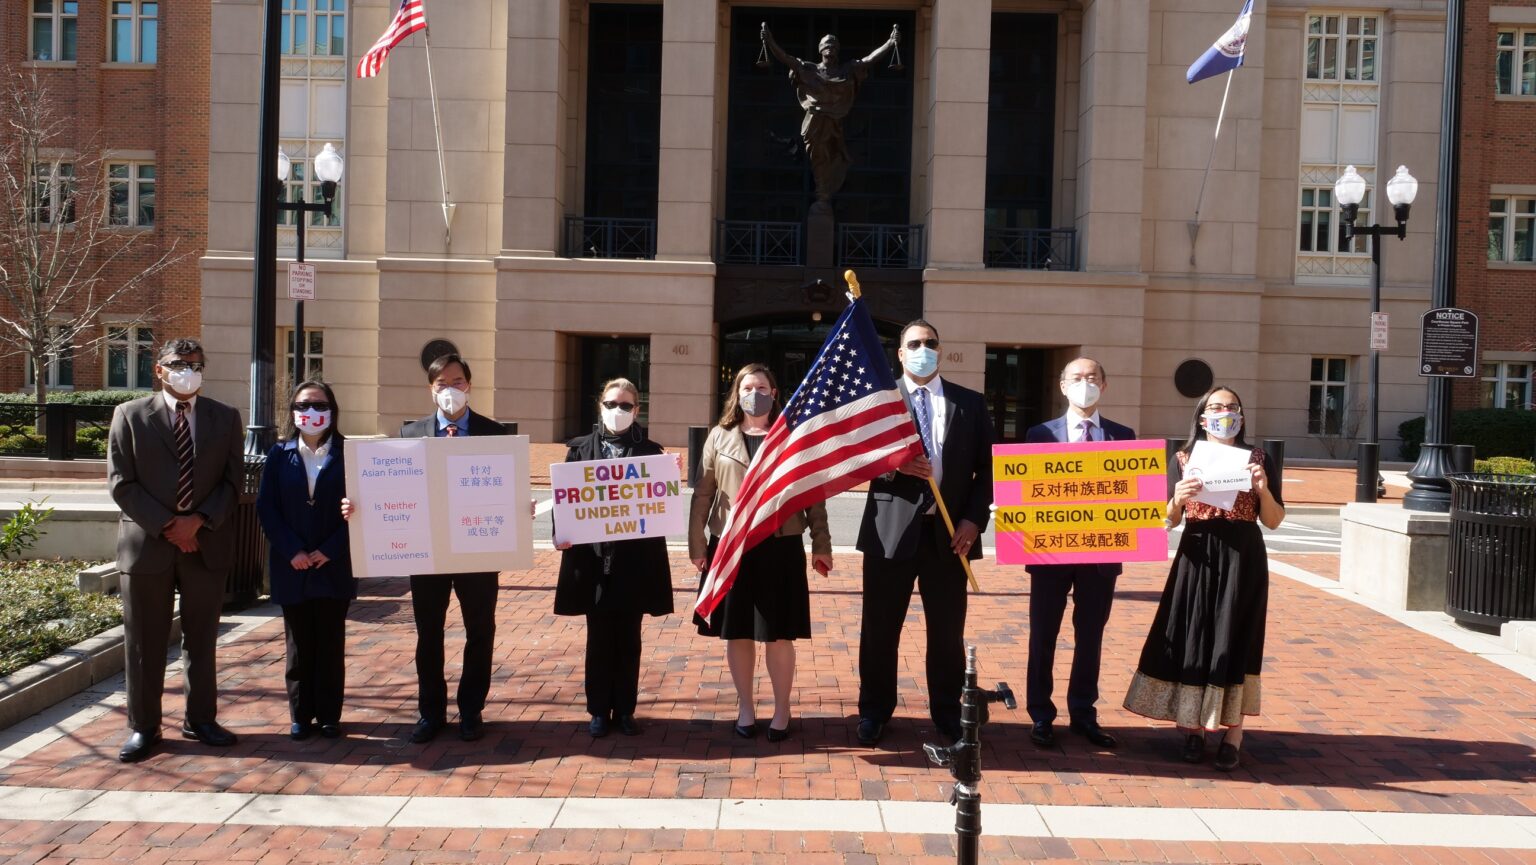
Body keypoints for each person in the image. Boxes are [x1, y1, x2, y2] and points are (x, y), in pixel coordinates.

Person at [1123, 386, 1284, 772]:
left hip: (1243, 555)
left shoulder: (1258, 458)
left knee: (1235, 638)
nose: (1224, 412)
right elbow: (1167, 520)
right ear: (1201, 417)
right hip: (1197, 552)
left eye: (1231, 407)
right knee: (1192, 634)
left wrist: (1262, 490)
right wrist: (1176, 498)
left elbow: (1275, 520)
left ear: (1241, 416)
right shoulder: (1182, 458)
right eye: (1216, 407)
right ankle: (1193, 727)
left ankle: (1233, 733)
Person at [855, 321, 993, 747]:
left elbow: (987, 470)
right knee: (880, 629)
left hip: (951, 536)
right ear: (900, 353)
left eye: (930, 343)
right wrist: (893, 464)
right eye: (913, 344)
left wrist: (973, 520)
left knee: (947, 631)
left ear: (940, 349)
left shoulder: (969, 403)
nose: (923, 349)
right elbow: (856, 457)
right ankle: (875, 711)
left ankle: (948, 713)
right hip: (890, 532)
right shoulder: (879, 402)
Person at [107, 338, 245, 763]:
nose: (189, 370)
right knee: (144, 643)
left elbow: (232, 482)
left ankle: (200, 719)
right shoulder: (129, 416)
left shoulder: (225, 418)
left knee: (201, 640)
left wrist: (197, 521)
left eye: (197, 364)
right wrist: (170, 525)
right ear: (160, 370)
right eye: (179, 364)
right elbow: (121, 482)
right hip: (148, 545)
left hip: (205, 543)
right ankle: (143, 726)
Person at [689, 363, 832, 742]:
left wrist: (822, 545)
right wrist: (697, 544)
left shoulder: (792, 438)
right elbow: (704, 494)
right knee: (737, 633)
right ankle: (746, 707)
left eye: (762, 387)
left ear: (775, 393)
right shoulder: (719, 437)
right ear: (737, 393)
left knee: (778, 634)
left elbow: (813, 496)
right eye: (748, 387)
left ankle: (782, 708)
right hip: (731, 547)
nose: (755, 393)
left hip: (780, 545)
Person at [1021, 357, 1134, 750]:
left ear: (1104, 386)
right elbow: (1025, 488)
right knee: (1043, 636)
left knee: (1090, 637)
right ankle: (1041, 714)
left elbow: (1132, 492)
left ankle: (1083, 713)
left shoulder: (1123, 435)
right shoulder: (1039, 434)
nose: (1084, 383)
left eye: (1092, 378)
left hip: (1100, 555)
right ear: (1062, 386)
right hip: (1049, 553)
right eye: (1076, 378)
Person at [553, 378, 675, 738]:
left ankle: (624, 709)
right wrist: (561, 533)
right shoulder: (578, 450)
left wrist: (672, 475)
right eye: (611, 404)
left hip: (633, 563)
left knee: (629, 638)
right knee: (599, 637)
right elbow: (565, 503)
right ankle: (597, 710)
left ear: (637, 410)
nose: (617, 411)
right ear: (599, 406)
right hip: (593, 562)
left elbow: (660, 502)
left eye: (625, 406)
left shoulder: (652, 453)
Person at [401, 353, 508, 743]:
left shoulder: (495, 434)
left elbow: (506, 489)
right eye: (442, 384)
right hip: (427, 553)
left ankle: (471, 710)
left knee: (480, 631)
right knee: (428, 634)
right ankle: (430, 712)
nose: (451, 390)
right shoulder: (410, 435)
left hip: (477, 553)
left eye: (458, 382)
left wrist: (518, 506)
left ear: (470, 385)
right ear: (431, 390)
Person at [256, 380, 355, 741]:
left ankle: (329, 714)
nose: (311, 413)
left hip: (334, 562)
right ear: (293, 412)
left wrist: (331, 548)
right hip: (292, 564)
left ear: (332, 410)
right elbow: (267, 507)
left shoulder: (349, 454)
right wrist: (292, 550)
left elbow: (362, 509)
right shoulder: (279, 454)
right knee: (298, 644)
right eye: (303, 406)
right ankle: (301, 713)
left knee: (330, 642)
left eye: (319, 405)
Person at [760, 23, 900, 202]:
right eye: (827, 45)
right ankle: (820, 190)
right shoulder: (808, 70)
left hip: (834, 125)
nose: (830, 49)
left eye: (834, 46)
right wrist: (769, 41)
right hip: (814, 126)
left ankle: (823, 192)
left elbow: (869, 60)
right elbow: (785, 58)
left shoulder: (846, 70)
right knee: (818, 158)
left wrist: (890, 42)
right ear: (820, 49)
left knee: (833, 158)